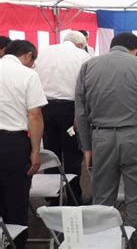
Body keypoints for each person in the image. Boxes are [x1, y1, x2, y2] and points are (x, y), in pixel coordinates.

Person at [75, 33, 137, 249]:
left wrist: (86, 147)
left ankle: (105, 245)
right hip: (134, 138)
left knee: (103, 201)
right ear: (134, 50)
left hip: (100, 138)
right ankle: (135, 246)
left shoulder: (88, 67)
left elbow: (80, 113)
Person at [0, 40, 47, 249]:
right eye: (32, 60)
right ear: (27, 55)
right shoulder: (27, 75)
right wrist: (36, 151)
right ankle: (16, 245)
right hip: (13, 143)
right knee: (16, 201)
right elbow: (34, 115)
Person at [34, 31, 90, 205]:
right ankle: (74, 197)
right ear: (81, 44)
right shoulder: (83, 55)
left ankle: (53, 197)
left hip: (44, 106)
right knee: (72, 153)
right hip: (70, 108)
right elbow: (86, 86)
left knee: (51, 151)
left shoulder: (44, 52)